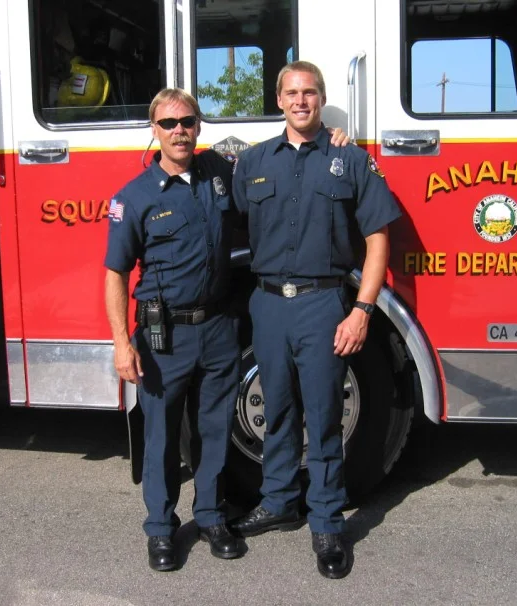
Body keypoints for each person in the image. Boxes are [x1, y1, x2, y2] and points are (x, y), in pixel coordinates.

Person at [104, 88, 350, 572]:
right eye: (169, 123)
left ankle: (212, 516)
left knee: (214, 431)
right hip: (163, 337)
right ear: (153, 131)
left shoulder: (219, 172)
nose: (180, 131)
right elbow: (115, 272)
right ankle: (161, 529)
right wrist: (119, 343)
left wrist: (332, 136)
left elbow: (275, 160)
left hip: (218, 326)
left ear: (199, 127)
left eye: (188, 122)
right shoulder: (133, 198)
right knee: (161, 435)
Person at [229, 61, 402, 580]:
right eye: (291, 93)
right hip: (267, 304)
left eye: (310, 92)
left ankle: (326, 520)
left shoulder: (349, 159)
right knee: (277, 408)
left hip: (322, 304)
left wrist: (363, 310)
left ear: (322, 98)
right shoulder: (252, 162)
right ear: (279, 100)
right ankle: (279, 499)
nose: (300, 101)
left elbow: (378, 241)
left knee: (324, 417)